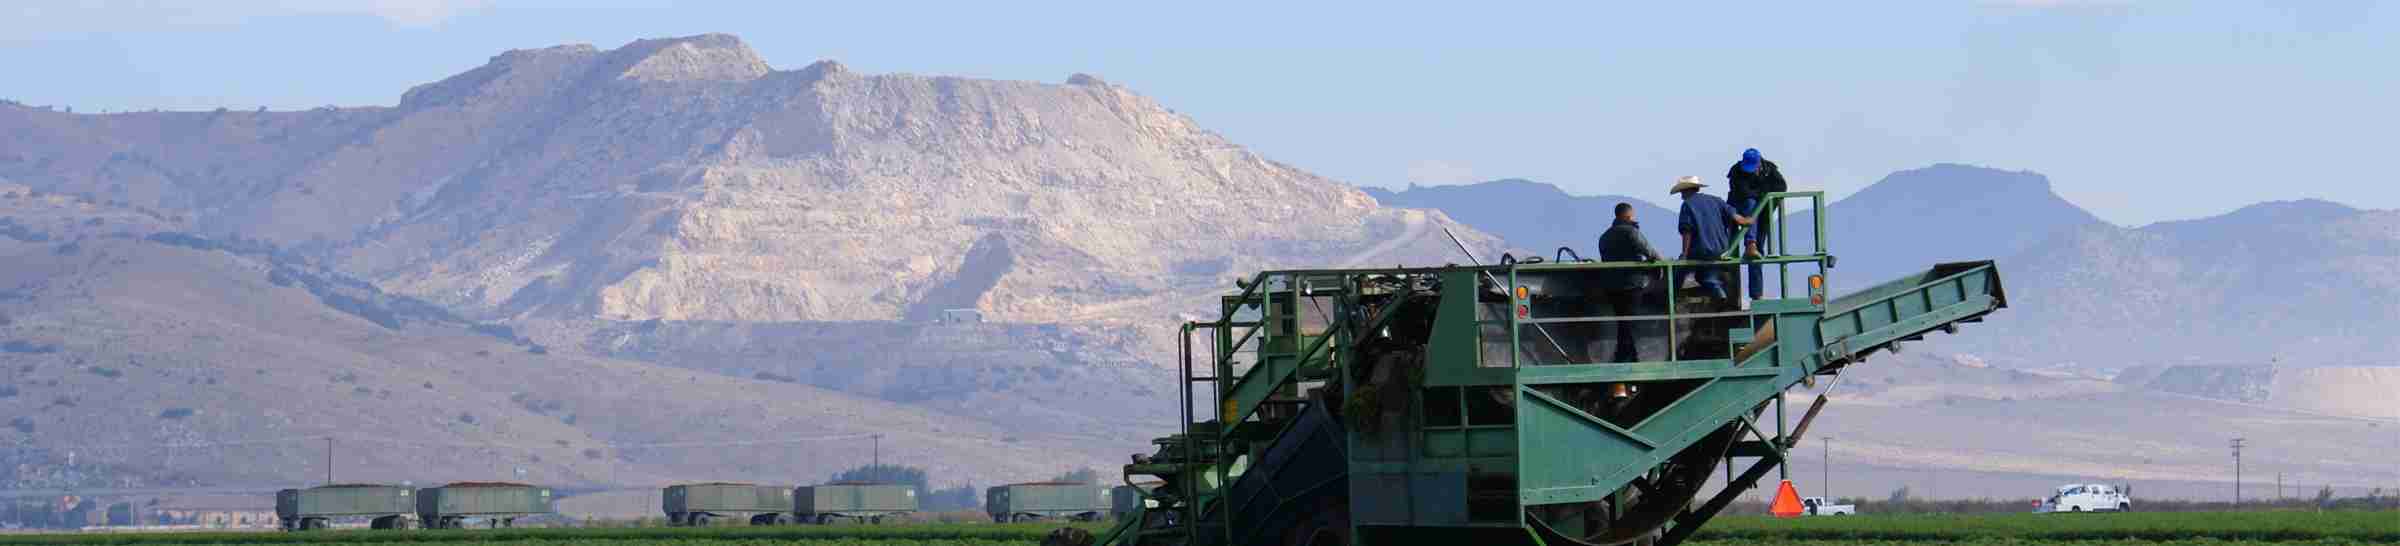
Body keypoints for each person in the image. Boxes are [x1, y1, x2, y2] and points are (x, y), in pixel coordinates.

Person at [1597, 202, 1664, 362]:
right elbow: (1650, 252)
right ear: (1628, 216)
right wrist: (1661, 265)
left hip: (1611, 285)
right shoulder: (1632, 232)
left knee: (1623, 321)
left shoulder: (1605, 236)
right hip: (1632, 284)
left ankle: (1628, 356)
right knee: (1629, 322)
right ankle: (1625, 357)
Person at [1725, 148, 1788, 299]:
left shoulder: (1770, 169)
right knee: (1731, 252)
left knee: (1757, 254)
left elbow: (1781, 188)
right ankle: (1732, 296)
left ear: (1760, 163)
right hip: (1738, 210)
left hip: (1761, 214)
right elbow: (1744, 193)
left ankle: (1756, 294)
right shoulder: (1736, 171)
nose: (1750, 172)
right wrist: (1763, 195)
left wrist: (1765, 200)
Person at [1673, 176, 1748, 300]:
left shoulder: (1687, 205)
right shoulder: (1716, 200)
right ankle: (1717, 290)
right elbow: (1738, 218)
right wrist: (1748, 220)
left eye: (1682, 192)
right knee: (1707, 272)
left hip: (1701, 250)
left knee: (1679, 272)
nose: (1681, 195)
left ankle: (1672, 299)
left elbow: (1687, 231)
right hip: (1722, 249)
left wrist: (1684, 254)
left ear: (1687, 190)